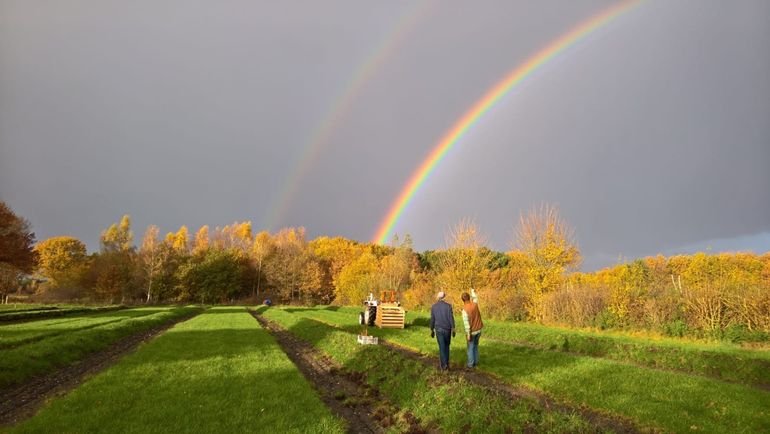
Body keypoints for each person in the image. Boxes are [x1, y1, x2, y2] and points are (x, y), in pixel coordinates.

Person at [429, 291, 455, 371]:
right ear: (444, 297)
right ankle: (446, 364)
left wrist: (431, 329)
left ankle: (444, 366)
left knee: (442, 347)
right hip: (447, 329)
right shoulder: (448, 306)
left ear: (438, 298)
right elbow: (451, 318)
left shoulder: (434, 307)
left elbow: (432, 319)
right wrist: (453, 328)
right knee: (447, 346)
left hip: (439, 329)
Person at [461, 288, 483, 369]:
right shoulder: (475, 304)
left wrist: (468, 334)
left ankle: (470, 364)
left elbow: (467, 325)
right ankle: (476, 362)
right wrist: (473, 291)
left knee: (470, 347)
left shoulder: (464, 310)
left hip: (472, 331)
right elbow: (475, 298)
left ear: (462, 300)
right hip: (479, 329)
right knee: (476, 346)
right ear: (469, 298)